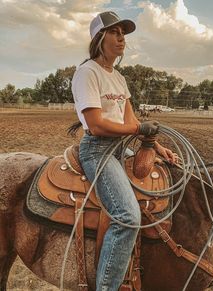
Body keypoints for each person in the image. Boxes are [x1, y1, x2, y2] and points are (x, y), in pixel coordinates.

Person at [71, 11, 178, 291]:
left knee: (163, 176)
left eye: (123, 34)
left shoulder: (119, 78)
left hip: (120, 149)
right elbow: (95, 125)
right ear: (99, 38)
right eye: (115, 33)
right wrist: (137, 131)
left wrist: (157, 147)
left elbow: (131, 121)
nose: (121, 39)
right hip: (97, 152)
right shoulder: (87, 73)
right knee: (128, 216)